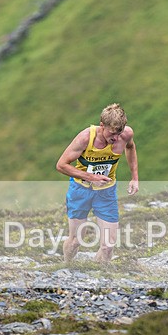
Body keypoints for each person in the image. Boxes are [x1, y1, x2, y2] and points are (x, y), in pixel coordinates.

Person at [56, 103, 139, 263]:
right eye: (112, 133)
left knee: (108, 245)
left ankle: (99, 275)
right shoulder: (86, 138)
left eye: (119, 132)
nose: (115, 138)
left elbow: (131, 148)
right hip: (80, 190)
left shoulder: (126, 134)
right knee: (76, 241)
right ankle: (67, 266)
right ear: (102, 126)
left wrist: (134, 177)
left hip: (106, 192)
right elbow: (61, 165)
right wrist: (91, 177)